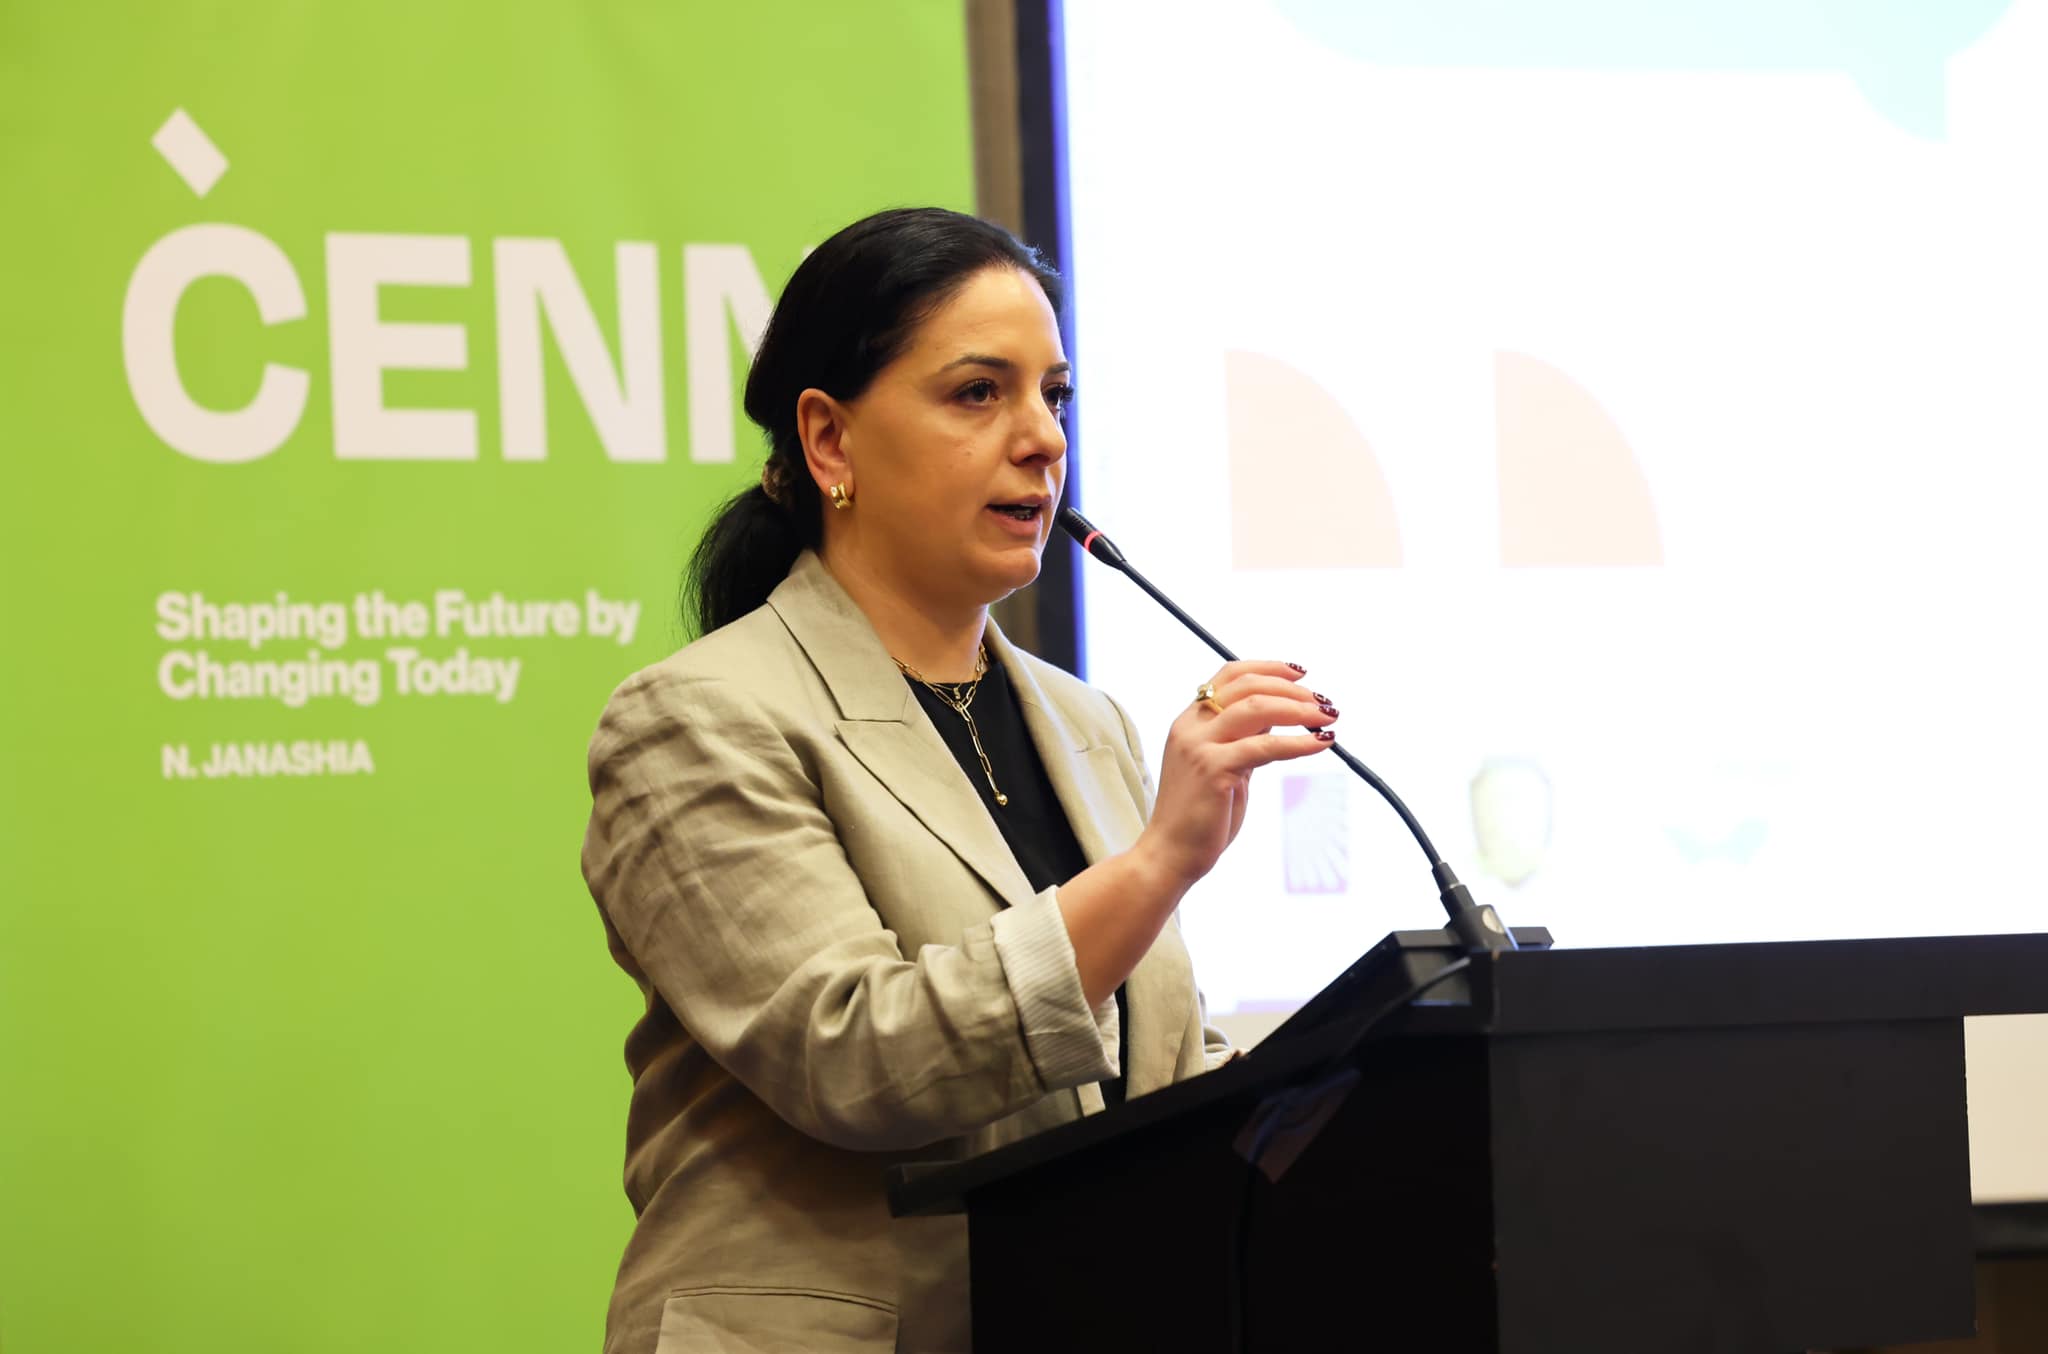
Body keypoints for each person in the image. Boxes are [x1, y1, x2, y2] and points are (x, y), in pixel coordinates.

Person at [579, 206, 1339, 1354]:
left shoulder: (1088, 726)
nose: (1040, 438)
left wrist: (1336, 1081)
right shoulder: (696, 720)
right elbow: (860, 1057)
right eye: (978, 393)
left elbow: (1145, 1076)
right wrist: (1156, 864)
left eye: (1053, 396)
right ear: (828, 441)